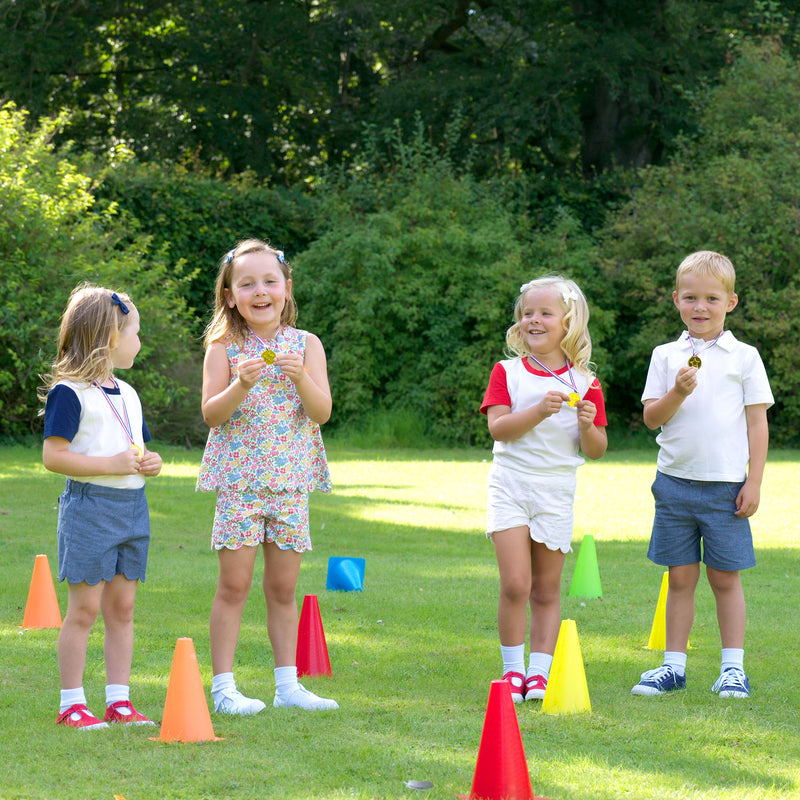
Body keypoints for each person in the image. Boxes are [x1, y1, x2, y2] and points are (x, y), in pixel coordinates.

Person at [197, 239, 338, 714]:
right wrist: (241, 382)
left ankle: (288, 686)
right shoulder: (224, 348)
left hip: (290, 485)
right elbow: (212, 415)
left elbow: (321, 413)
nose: (260, 291)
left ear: (286, 288)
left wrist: (301, 379)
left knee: (283, 589)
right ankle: (224, 689)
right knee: (233, 586)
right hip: (241, 485)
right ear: (230, 295)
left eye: (269, 282)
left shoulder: (306, 345)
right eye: (247, 283)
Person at [631, 251, 773, 699]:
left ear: (730, 302)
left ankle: (733, 669)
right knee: (680, 578)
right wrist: (677, 390)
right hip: (673, 484)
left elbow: (757, 423)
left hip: (727, 487)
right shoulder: (665, 355)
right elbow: (653, 418)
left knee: (725, 578)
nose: (700, 307)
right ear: (676, 300)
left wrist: (754, 481)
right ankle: (673, 667)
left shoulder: (744, 356)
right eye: (690, 297)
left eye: (712, 298)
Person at [480, 275, 608, 702]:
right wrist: (537, 411)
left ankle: (539, 673)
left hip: (555, 492)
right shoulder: (507, 373)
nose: (534, 319)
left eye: (545, 313)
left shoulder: (586, 382)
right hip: (511, 486)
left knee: (547, 589)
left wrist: (588, 425)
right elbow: (499, 428)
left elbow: (597, 450)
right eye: (528, 312)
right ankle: (512, 672)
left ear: (568, 322)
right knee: (516, 584)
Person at [41, 284, 162, 730]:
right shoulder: (70, 393)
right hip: (90, 509)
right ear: (109, 336)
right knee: (85, 610)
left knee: (122, 609)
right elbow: (53, 456)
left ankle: (119, 702)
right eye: (135, 331)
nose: (139, 341)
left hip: (133, 509)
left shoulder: (128, 393)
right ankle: (71, 703)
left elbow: (135, 448)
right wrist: (109, 465)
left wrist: (151, 462)